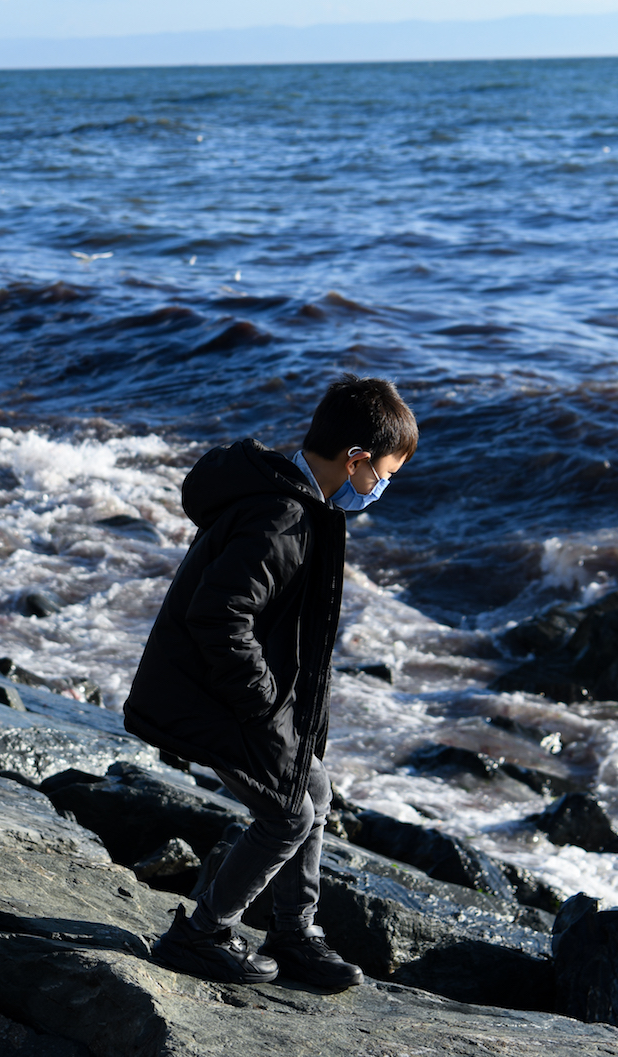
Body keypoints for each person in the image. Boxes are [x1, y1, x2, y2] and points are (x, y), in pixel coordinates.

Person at [124, 375, 418, 989]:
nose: (382, 488)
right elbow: (219, 615)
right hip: (215, 694)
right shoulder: (281, 516)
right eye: (383, 474)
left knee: (313, 781)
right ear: (355, 459)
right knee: (287, 814)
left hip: (236, 691)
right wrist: (262, 703)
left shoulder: (298, 500)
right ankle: (201, 934)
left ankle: (293, 930)